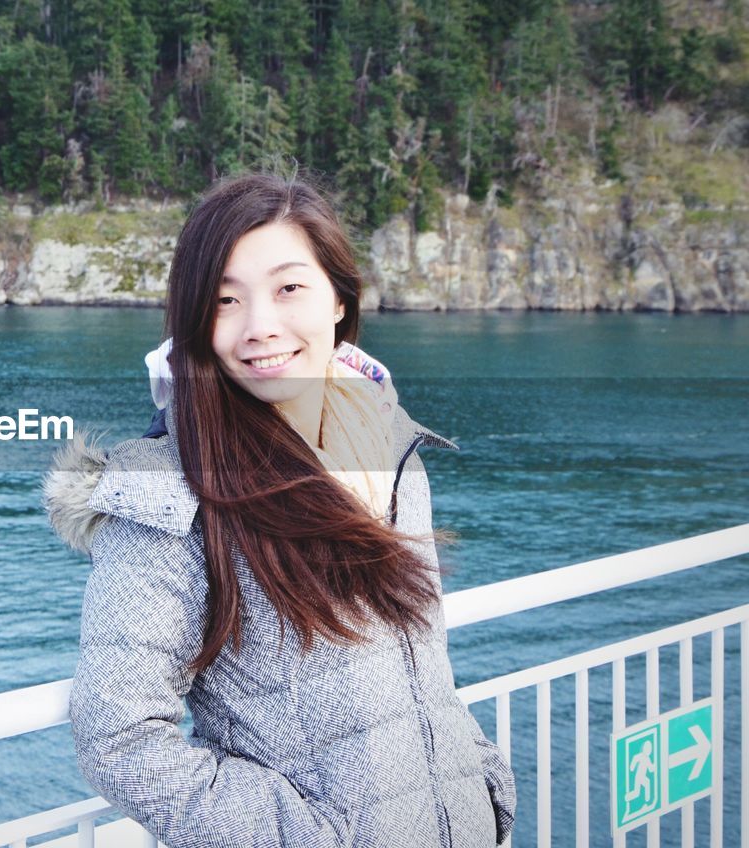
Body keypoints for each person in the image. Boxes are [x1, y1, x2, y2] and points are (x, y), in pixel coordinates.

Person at [44, 172, 516, 848]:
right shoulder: (170, 493)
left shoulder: (389, 448)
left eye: (289, 288)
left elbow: (418, 665)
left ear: (337, 300)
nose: (259, 327)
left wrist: (482, 785)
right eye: (225, 300)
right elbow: (118, 738)